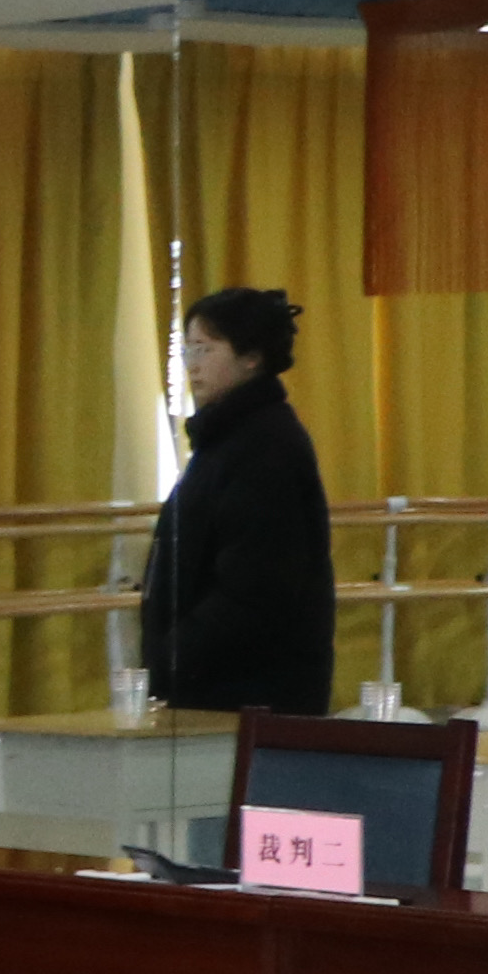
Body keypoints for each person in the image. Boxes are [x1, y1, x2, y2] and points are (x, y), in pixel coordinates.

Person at [143, 282, 337, 717]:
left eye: (206, 349)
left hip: (252, 691)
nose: (192, 365)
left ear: (251, 357)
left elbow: (257, 587)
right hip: (216, 684)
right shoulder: (226, 439)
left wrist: (174, 655)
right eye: (188, 350)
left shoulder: (266, 446)